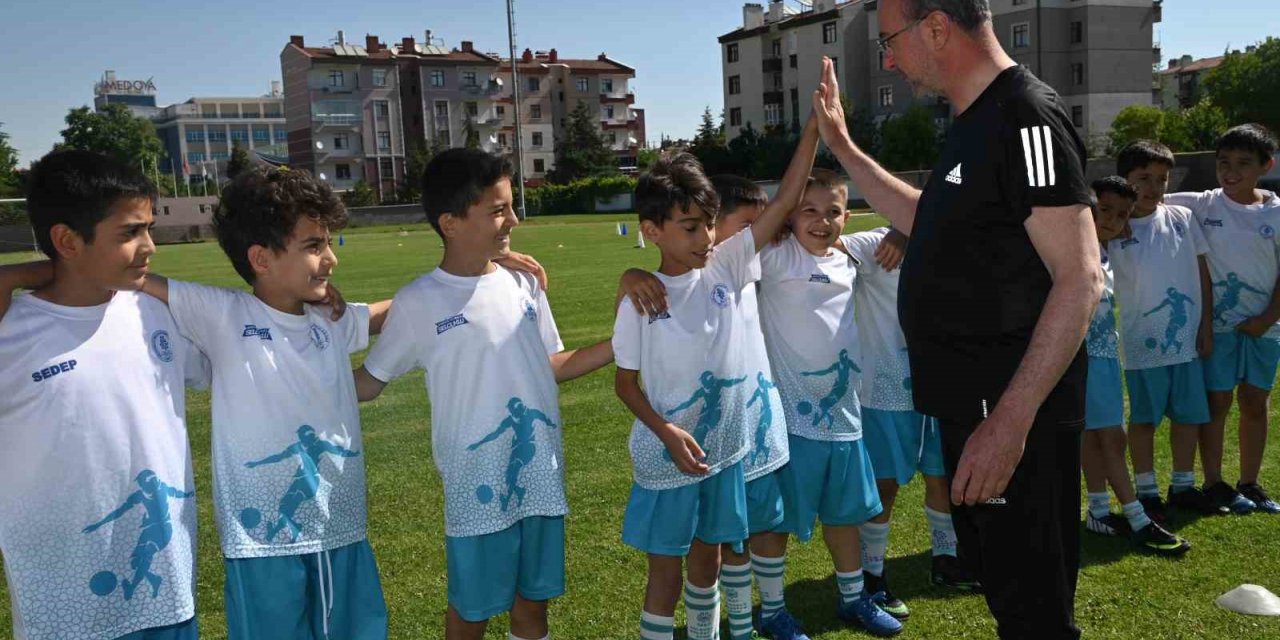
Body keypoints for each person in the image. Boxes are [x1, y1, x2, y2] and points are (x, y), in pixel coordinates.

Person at [809, 0, 1102, 635]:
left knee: (1035, 610)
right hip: (972, 408)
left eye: (890, 40)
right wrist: (843, 147)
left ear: (937, 27)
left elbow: (1081, 278)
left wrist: (1010, 422)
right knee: (1007, 592)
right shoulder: (973, 119)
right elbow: (930, 217)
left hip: (1011, 416)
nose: (887, 57)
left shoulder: (1026, 116)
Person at [353, 148, 613, 640]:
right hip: (476, 487)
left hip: (541, 477)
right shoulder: (420, 301)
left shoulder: (524, 282)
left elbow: (550, 365)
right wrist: (297, 385)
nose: (513, 219)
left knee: (533, 607)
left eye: (511, 206)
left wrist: (621, 344)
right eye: (497, 210)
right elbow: (368, 383)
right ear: (450, 222)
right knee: (471, 611)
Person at [138, 166, 392, 639]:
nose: (330, 259)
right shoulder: (224, 314)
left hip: (339, 525)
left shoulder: (329, 320)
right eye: (314, 246)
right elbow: (128, 277)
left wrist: (477, 272)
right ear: (261, 258)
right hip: (261, 542)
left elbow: (392, 313)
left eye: (329, 243)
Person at [612, 126, 818, 640]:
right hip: (668, 457)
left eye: (707, 224)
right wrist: (665, 432)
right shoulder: (641, 297)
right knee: (665, 571)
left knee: (710, 558)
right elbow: (625, 384)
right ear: (652, 230)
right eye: (689, 227)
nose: (705, 238)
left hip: (723, 453)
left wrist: (815, 127)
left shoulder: (727, 265)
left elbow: (788, 198)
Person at [0, 150, 209, 640]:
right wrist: (16, 276)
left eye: (149, 228)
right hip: (63, 604)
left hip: (168, 592)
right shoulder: (12, 333)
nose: (150, 245)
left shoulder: (157, 314)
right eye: (129, 233)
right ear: (67, 240)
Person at [755, 170, 901, 637]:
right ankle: (772, 609)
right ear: (790, 216)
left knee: (845, 515)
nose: (821, 222)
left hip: (845, 417)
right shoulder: (775, 257)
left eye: (832, 212)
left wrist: (898, 228)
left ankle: (853, 598)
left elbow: (924, 217)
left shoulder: (851, 254)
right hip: (792, 422)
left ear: (847, 215)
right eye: (809, 211)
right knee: (776, 521)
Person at [842, 225, 980, 623]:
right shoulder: (876, 243)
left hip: (943, 386)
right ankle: (872, 572)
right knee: (884, 485)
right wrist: (902, 231)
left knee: (944, 477)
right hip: (885, 390)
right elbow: (819, 240)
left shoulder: (959, 239)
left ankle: (946, 558)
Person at [1165, 123, 1280, 514]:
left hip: (1265, 326)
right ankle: (1214, 482)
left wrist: (1268, 317)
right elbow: (1143, 198)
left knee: (1255, 401)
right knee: (1218, 402)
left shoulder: (1277, 213)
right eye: (1223, 163)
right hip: (1217, 327)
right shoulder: (1203, 203)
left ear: (1267, 165)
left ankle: (1250, 481)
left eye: (1243, 164)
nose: (1231, 172)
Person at [1107, 141, 1224, 521]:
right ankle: (1147, 492)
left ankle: (1183, 485)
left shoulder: (1182, 217)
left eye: (1161, 179)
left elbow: (1203, 273)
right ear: (1125, 180)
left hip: (1188, 341)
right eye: (1143, 178)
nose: (1153, 187)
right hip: (1143, 345)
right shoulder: (1113, 231)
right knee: (1145, 420)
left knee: (1188, 417)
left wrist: (1205, 324)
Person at [1082, 176, 1190, 556]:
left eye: (1121, 214)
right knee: (1111, 436)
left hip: (1103, 355)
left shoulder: (1107, 250)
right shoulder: (1074, 248)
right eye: (1104, 210)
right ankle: (1138, 518)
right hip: (1082, 358)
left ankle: (1098, 510)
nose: (1111, 219)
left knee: (1096, 435)